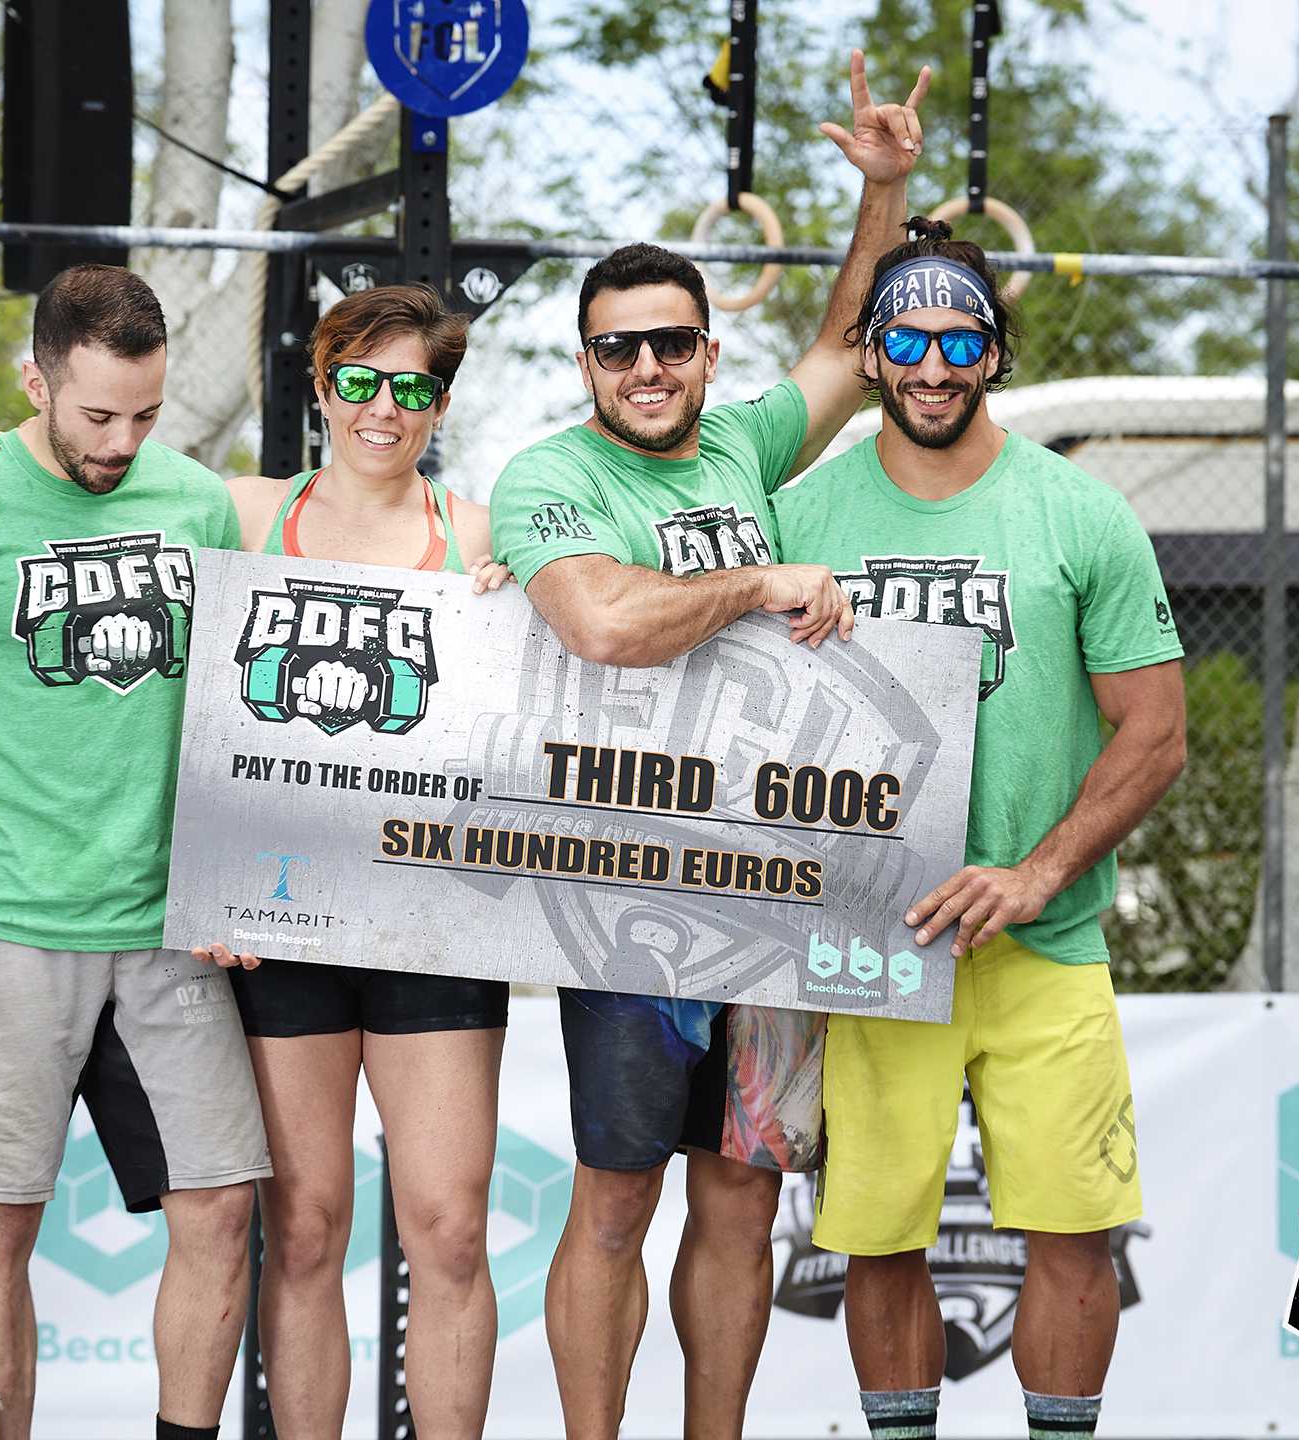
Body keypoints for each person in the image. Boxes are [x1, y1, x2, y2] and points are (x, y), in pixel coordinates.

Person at [486, 51, 928, 1439]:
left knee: (742, 1192)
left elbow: (854, 346)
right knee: (617, 1195)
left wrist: (887, 191)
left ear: (706, 350)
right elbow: (602, 624)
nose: (650, 367)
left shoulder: (741, 445)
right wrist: (757, 586)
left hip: (777, 890)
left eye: (672, 341)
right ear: (587, 363)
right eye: (620, 346)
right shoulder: (552, 476)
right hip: (624, 892)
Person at [770, 221, 1187, 1440]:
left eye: (962, 339)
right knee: (877, 1232)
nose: (936, 364)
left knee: (1072, 1230)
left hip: (1042, 942)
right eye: (908, 337)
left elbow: (1153, 733)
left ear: (996, 353)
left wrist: (1037, 870)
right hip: (871, 945)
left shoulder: (1079, 515)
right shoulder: (802, 515)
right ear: (873, 352)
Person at [0, 264, 269, 1440]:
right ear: (36, 380)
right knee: (0, 1221)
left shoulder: (192, 501)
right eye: (96, 415)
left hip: (166, 924)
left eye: (145, 415)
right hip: (3, 920)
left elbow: (349, 517)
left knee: (219, 1210)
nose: (120, 441)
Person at [203, 283, 510, 1440]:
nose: (387, 409)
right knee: (311, 1227)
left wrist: (510, 608)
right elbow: (77, 482)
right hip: (280, 921)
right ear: (323, 388)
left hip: (431, 918)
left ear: (440, 402)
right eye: (363, 383)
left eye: (415, 388)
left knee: (449, 1228)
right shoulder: (241, 512)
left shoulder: (477, 534)